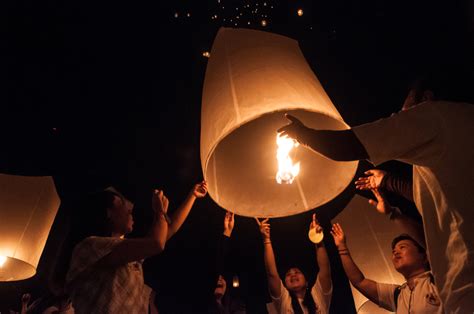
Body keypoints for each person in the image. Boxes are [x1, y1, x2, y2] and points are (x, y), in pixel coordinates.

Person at [278, 80, 474, 311]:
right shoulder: (461, 131)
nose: (400, 113)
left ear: (427, 97)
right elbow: (435, 198)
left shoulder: (436, 115)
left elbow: (351, 145)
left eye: (406, 106)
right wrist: (387, 183)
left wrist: (303, 135)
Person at [66, 181, 207, 314]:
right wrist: (160, 213)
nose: (129, 209)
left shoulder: (127, 257)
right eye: (122, 204)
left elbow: (167, 231)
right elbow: (157, 243)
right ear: (108, 212)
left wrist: (192, 196)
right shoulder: (90, 247)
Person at [331, 222, 443, 313]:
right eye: (394, 250)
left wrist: (393, 214)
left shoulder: (439, 281)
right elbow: (359, 282)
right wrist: (342, 247)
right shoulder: (398, 295)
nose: (395, 252)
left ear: (425, 256)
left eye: (402, 247)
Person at [256, 214, 332, 314]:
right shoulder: (284, 299)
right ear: (285, 286)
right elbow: (271, 273)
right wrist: (266, 240)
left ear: (307, 282)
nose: (293, 275)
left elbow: (325, 270)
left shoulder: (317, 295)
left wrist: (318, 240)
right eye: (288, 274)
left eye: (297, 272)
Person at [209, 211, 246, 314]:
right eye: (217, 277)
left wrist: (228, 231)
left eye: (221, 277)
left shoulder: (237, 307)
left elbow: (221, 260)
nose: (220, 279)